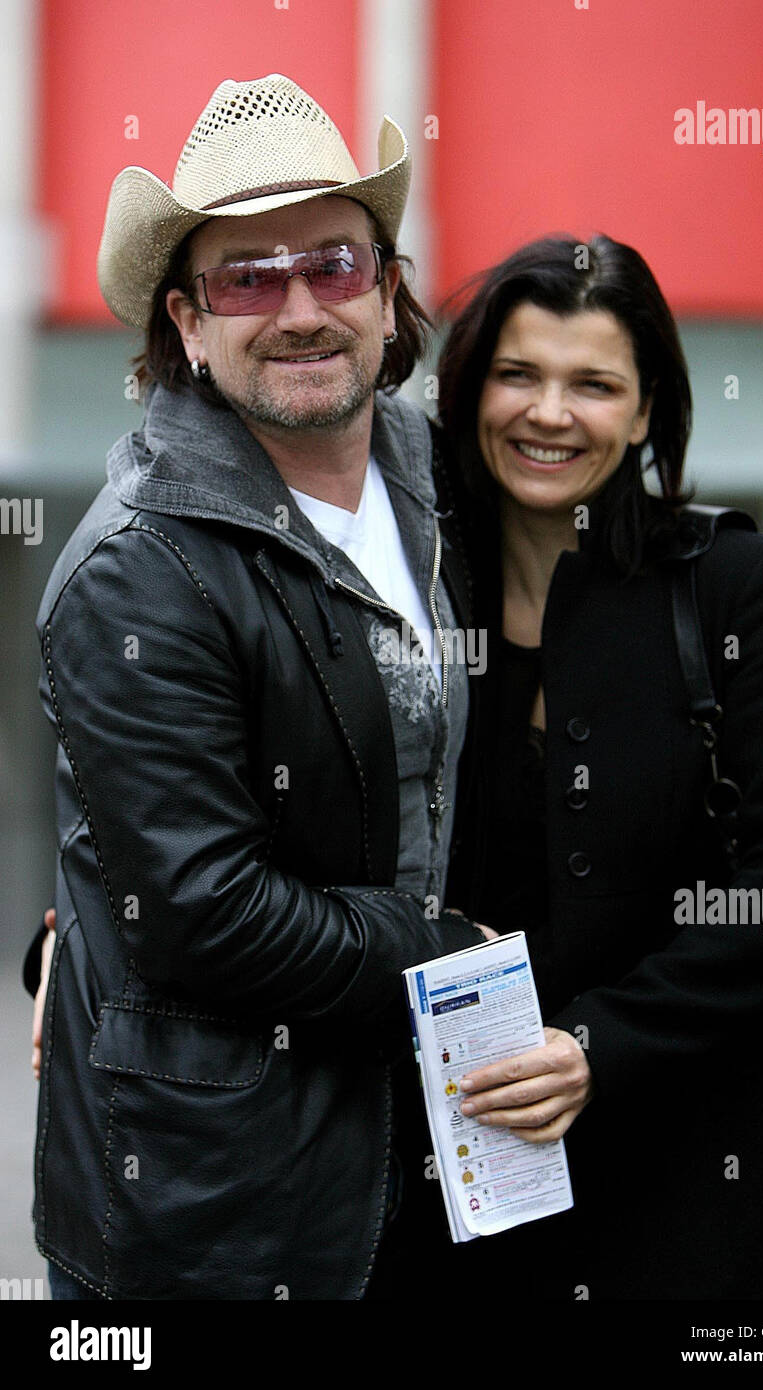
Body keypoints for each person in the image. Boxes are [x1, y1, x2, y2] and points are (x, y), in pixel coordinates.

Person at [21, 72, 494, 1301]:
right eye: (247, 277)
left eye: (333, 265)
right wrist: (445, 949)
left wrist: (716, 604)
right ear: (185, 322)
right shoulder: (140, 567)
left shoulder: (435, 481)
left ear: (388, 294)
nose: (298, 309)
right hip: (214, 1206)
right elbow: (203, 908)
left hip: (419, 1146)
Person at [427, 234, 763, 1299]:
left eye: (593, 384)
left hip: (698, 1168)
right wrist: (76, 937)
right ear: (471, 388)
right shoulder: (414, 591)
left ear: (642, 409)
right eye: (517, 374)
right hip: (473, 1169)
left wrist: (597, 1042)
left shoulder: (726, 582)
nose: (548, 413)